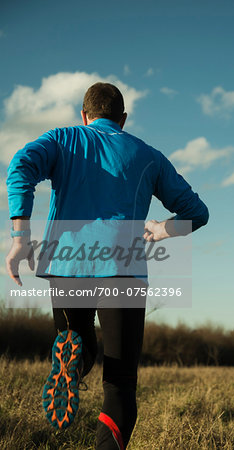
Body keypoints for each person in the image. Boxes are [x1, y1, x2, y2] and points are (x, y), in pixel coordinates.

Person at [6, 82, 209, 449]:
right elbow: (198, 213)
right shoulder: (149, 156)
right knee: (119, 384)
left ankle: (73, 363)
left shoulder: (63, 139)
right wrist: (163, 230)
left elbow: (21, 165)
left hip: (66, 266)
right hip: (123, 270)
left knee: (77, 341)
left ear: (84, 116)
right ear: (123, 119)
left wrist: (20, 235)